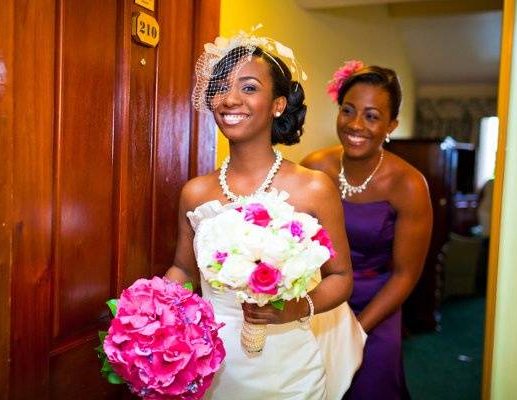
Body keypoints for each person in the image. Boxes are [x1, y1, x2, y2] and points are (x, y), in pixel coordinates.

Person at [165, 33, 366, 399]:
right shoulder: (194, 192)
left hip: (287, 369)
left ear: (277, 104)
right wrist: (154, 314)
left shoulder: (314, 188)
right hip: (212, 362)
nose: (230, 99)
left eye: (249, 87)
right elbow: (182, 270)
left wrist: (296, 308)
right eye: (221, 88)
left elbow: (340, 277)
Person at [302, 61, 433, 400]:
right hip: (320, 300)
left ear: (392, 125)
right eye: (348, 110)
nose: (356, 125)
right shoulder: (315, 167)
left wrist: (357, 330)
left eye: (372, 116)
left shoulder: (409, 185)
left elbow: (406, 275)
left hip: (377, 304)